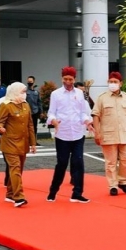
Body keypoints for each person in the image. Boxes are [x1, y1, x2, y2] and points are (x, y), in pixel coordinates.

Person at [46, 66, 94, 203]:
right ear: (62, 79)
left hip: (78, 132)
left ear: (75, 79)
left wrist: (87, 122)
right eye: (65, 79)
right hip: (62, 133)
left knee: (78, 162)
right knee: (61, 163)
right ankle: (53, 191)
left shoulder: (80, 93)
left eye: (70, 79)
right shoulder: (56, 94)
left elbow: (83, 112)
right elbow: (51, 113)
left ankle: (77, 193)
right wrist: (53, 121)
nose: (68, 82)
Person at [92, 72, 126, 196]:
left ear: (120, 83)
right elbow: (96, 115)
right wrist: (97, 132)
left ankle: (123, 181)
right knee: (111, 162)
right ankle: (113, 185)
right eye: (110, 82)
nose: (112, 84)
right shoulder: (102, 98)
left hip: (125, 133)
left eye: (115, 82)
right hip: (108, 134)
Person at [0, 82, 37, 207]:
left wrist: (33, 143)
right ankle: (19, 197)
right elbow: (0, 123)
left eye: (25, 92)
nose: (25, 94)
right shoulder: (6, 105)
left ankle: (10, 193)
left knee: (19, 169)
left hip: (23, 143)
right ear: (14, 92)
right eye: (22, 92)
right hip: (10, 143)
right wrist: (0, 129)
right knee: (15, 168)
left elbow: (30, 125)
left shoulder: (25, 105)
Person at [26, 75, 43, 146]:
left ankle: (34, 141)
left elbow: (39, 102)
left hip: (35, 112)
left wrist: (41, 112)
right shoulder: (25, 91)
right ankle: (28, 141)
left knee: (34, 127)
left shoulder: (36, 92)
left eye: (31, 81)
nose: (29, 82)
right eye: (28, 81)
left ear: (33, 82)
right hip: (27, 112)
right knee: (27, 127)